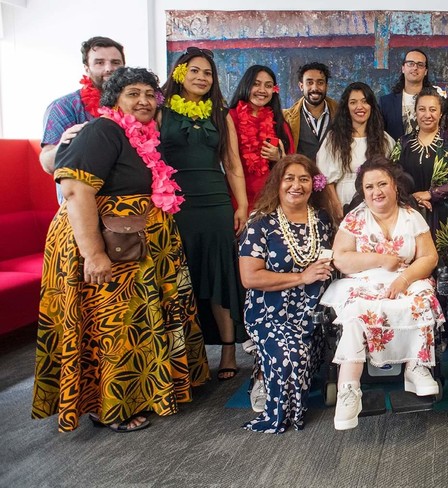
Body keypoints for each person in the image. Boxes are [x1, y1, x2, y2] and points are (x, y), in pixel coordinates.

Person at [32, 67, 210, 433]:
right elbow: (75, 190)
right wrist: (94, 254)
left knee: (134, 326)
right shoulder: (103, 131)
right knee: (112, 327)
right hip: (110, 247)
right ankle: (107, 407)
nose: (143, 101)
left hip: (135, 249)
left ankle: (142, 392)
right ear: (113, 100)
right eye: (133, 93)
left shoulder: (142, 137)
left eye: (149, 94)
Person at [320, 158, 444, 430]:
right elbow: (341, 259)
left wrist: (403, 279)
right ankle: (348, 390)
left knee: (422, 298)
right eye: (369, 187)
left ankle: (416, 367)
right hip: (365, 280)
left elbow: (429, 257)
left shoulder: (412, 216)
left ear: (395, 187)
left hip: (406, 278)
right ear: (362, 192)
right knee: (356, 313)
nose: (376, 191)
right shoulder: (355, 219)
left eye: (382, 184)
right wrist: (379, 259)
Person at [159, 47, 248, 381]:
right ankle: (182, 356)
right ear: (180, 73)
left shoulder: (220, 114)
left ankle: (228, 350)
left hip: (214, 203)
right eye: (194, 71)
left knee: (219, 276)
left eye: (207, 73)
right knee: (179, 281)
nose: (201, 78)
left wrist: (241, 205)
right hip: (174, 205)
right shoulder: (160, 111)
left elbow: (233, 164)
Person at [238, 154, 334, 433]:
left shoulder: (323, 220)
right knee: (292, 360)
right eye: (289, 178)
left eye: (304, 179)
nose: (297, 185)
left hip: (313, 313)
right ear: (277, 184)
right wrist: (302, 277)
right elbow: (249, 277)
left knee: (311, 361)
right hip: (270, 311)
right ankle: (264, 374)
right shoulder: (260, 223)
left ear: (313, 184)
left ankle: (266, 365)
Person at [390, 86, 448, 278]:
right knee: (413, 267)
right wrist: (412, 199)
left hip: (446, 217)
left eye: (433, 109)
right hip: (410, 213)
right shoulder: (403, 143)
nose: (427, 114)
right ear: (415, 112)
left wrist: (431, 194)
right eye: (422, 109)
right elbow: (391, 178)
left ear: (441, 112)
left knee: (447, 273)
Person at [40, 36, 125, 202]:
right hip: (81, 208)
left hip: (129, 209)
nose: (109, 68)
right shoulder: (64, 106)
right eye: (99, 62)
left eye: (115, 62)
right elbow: (48, 164)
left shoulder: (135, 105)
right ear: (87, 68)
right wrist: (63, 145)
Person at [317, 82, 394, 222]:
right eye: (353, 102)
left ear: (371, 106)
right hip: (343, 201)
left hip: (376, 202)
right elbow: (326, 178)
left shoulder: (384, 139)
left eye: (365, 102)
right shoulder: (334, 138)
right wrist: (336, 205)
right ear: (347, 107)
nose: (359, 107)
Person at [228, 65, 295, 210]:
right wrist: (241, 204)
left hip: (272, 201)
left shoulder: (279, 123)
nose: (262, 90)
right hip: (238, 199)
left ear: (274, 90)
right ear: (246, 85)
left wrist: (279, 157)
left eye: (268, 86)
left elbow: (292, 163)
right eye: (256, 84)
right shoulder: (230, 118)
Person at [283, 62, 338, 161]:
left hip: (334, 176)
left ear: (327, 86)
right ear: (301, 86)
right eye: (309, 82)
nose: (315, 88)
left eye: (320, 82)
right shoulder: (286, 118)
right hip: (302, 175)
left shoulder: (341, 114)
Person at [379, 49, 431, 139]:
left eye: (420, 65)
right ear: (403, 68)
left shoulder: (436, 101)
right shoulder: (386, 102)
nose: (415, 68)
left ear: (425, 71)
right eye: (410, 63)